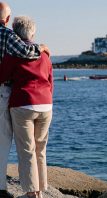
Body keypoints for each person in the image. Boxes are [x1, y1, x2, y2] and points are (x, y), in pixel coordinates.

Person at [0, 2, 50, 197]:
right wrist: (41, 47)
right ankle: (39, 189)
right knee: (38, 149)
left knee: (27, 149)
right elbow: (49, 79)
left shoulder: (12, 53)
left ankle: (31, 192)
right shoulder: (43, 55)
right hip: (45, 104)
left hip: (23, 103)